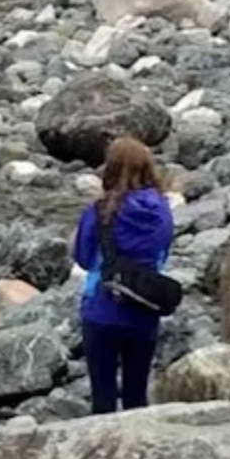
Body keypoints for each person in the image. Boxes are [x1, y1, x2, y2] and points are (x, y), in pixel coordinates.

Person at [72, 137, 175, 415]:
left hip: (101, 310)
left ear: (110, 168)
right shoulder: (162, 211)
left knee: (102, 395)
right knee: (136, 394)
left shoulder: (98, 211)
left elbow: (82, 258)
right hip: (144, 309)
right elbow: (162, 254)